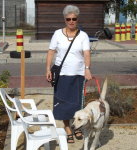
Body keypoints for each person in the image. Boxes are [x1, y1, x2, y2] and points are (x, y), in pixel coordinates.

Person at [46, 5, 92, 143]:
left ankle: (76, 126)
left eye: (74, 19)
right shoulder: (57, 34)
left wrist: (87, 68)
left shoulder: (83, 36)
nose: (71, 21)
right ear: (64, 19)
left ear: (77, 19)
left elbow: (86, 53)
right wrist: (48, 69)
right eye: (68, 19)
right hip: (62, 74)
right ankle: (67, 128)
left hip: (78, 74)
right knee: (63, 102)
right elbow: (51, 52)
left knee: (77, 103)